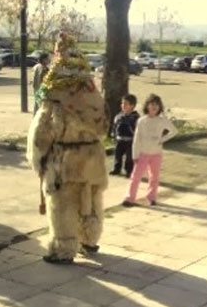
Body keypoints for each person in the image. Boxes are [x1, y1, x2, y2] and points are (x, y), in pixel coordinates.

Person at [27, 33, 109, 264]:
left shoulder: (54, 93)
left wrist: (38, 158)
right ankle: (89, 240)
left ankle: (63, 248)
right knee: (91, 200)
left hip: (66, 160)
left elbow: (43, 132)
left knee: (63, 205)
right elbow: (103, 127)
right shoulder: (93, 95)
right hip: (93, 157)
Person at [122, 94, 177, 207]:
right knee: (136, 177)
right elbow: (136, 139)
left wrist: (162, 139)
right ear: (147, 106)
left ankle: (151, 197)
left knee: (154, 177)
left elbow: (174, 131)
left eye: (156, 104)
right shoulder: (142, 121)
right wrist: (135, 155)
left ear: (160, 107)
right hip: (142, 154)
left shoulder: (162, 120)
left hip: (156, 154)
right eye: (152, 104)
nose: (154, 107)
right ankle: (130, 198)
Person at [110, 94, 139, 177]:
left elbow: (138, 130)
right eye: (122, 103)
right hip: (119, 139)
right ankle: (117, 169)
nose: (123, 105)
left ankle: (129, 171)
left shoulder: (135, 118)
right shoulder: (118, 116)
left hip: (130, 140)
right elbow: (115, 126)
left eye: (126, 104)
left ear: (132, 106)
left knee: (129, 158)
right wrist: (113, 135)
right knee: (117, 155)